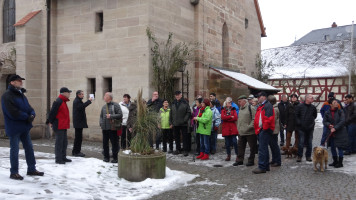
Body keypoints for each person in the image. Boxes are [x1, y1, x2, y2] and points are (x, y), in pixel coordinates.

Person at [1, 75, 44, 180]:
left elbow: (29, 108)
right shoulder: (7, 96)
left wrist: (32, 114)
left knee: (29, 148)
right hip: (14, 127)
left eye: (21, 81)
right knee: (15, 150)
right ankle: (14, 172)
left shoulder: (21, 95)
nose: (21, 82)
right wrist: (27, 117)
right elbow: (12, 112)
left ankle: (31, 169)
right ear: (12, 82)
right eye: (18, 81)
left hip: (24, 127)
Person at [48, 87, 73, 165]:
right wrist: (50, 121)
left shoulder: (63, 101)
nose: (69, 94)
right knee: (59, 142)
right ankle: (58, 159)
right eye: (68, 92)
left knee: (64, 142)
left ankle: (63, 157)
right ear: (64, 93)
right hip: (59, 125)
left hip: (63, 125)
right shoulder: (58, 101)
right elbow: (52, 112)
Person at [252, 91, 275, 174]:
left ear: (264, 97)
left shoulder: (267, 105)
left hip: (264, 130)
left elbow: (268, 119)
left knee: (262, 149)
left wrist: (263, 129)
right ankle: (265, 166)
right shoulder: (263, 106)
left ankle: (262, 166)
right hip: (262, 129)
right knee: (264, 148)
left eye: (259, 97)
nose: (258, 98)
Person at [323, 99, 349, 168]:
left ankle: (340, 163)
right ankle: (335, 161)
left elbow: (342, 121)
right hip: (331, 132)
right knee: (332, 147)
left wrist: (335, 128)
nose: (336, 103)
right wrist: (329, 125)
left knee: (340, 147)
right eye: (334, 102)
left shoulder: (341, 111)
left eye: (337, 102)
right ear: (330, 104)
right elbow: (324, 121)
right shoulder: (327, 112)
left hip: (340, 132)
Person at [99, 92, 123, 163]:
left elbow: (120, 114)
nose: (104, 97)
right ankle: (106, 157)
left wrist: (111, 116)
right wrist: (101, 123)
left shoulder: (116, 105)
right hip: (105, 128)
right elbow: (101, 116)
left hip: (113, 128)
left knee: (114, 144)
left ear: (109, 97)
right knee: (105, 143)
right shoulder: (104, 106)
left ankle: (115, 158)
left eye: (105, 96)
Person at [295, 94, 317, 162]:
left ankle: (308, 156)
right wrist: (299, 123)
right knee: (301, 142)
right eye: (311, 98)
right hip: (301, 128)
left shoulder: (313, 107)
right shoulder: (300, 106)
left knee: (309, 143)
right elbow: (296, 115)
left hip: (310, 127)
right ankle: (299, 156)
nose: (312, 99)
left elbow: (315, 115)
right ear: (306, 99)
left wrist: (312, 123)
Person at [236, 95, 257, 167]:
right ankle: (240, 160)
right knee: (240, 147)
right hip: (241, 132)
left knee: (252, 147)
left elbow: (255, 119)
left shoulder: (251, 108)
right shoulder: (241, 108)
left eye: (240, 101)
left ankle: (251, 160)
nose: (239, 103)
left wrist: (249, 127)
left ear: (244, 101)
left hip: (250, 132)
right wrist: (238, 128)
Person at [170, 91, 191, 156]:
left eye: (178, 95)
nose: (177, 96)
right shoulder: (173, 103)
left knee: (184, 137)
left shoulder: (185, 102)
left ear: (181, 95)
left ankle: (185, 150)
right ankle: (178, 149)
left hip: (183, 123)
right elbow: (171, 113)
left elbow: (188, 112)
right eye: (176, 95)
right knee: (176, 137)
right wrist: (171, 122)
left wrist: (185, 120)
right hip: (175, 123)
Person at [72, 90, 93, 157]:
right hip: (78, 123)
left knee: (78, 138)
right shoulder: (77, 101)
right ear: (78, 95)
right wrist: (89, 101)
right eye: (82, 94)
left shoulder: (78, 100)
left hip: (79, 122)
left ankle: (75, 151)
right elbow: (81, 107)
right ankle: (76, 151)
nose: (83, 95)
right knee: (78, 138)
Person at [221, 97, 238, 162]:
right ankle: (228, 155)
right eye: (228, 102)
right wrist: (230, 117)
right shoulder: (223, 110)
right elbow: (223, 117)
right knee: (227, 143)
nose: (230, 103)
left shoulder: (233, 109)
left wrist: (227, 117)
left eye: (230, 102)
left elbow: (235, 118)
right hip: (226, 128)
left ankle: (237, 155)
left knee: (234, 142)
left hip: (232, 128)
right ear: (226, 103)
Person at [268, 95, 281, 167]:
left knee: (274, 146)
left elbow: (273, 120)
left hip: (274, 130)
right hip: (273, 130)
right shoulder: (273, 108)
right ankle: (274, 159)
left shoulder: (274, 109)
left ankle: (277, 161)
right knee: (272, 146)